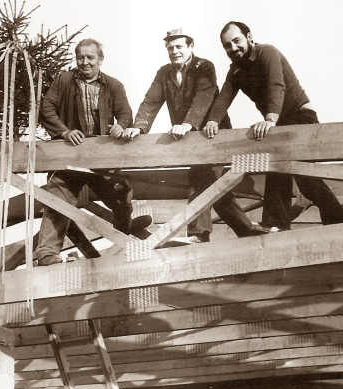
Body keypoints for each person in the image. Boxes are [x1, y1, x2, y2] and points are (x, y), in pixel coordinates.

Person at [129, 28, 269, 243]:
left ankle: (199, 235)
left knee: (200, 180)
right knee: (214, 187)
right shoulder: (164, 72)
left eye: (179, 46)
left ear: (190, 46)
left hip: (213, 135)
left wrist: (188, 124)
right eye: (170, 48)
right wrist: (139, 127)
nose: (174, 51)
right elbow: (151, 100)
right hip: (192, 140)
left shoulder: (204, 67)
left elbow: (204, 96)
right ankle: (246, 230)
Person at [203, 21, 343, 231]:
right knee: (279, 167)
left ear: (249, 37)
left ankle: (332, 220)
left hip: (300, 117)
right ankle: (279, 223)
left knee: (303, 177)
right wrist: (212, 121)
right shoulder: (236, 70)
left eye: (236, 41)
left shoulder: (267, 53)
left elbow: (276, 84)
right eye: (227, 45)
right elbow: (224, 96)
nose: (233, 48)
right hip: (279, 124)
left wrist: (270, 119)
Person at [35, 38, 151, 267]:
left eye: (90, 57)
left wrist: (120, 126)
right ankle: (47, 253)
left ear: (100, 59)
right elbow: (47, 108)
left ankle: (124, 228)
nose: (85, 62)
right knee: (58, 197)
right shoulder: (64, 80)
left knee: (120, 193)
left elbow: (125, 113)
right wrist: (65, 132)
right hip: (70, 154)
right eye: (80, 57)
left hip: (101, 156)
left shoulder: (113, 85)